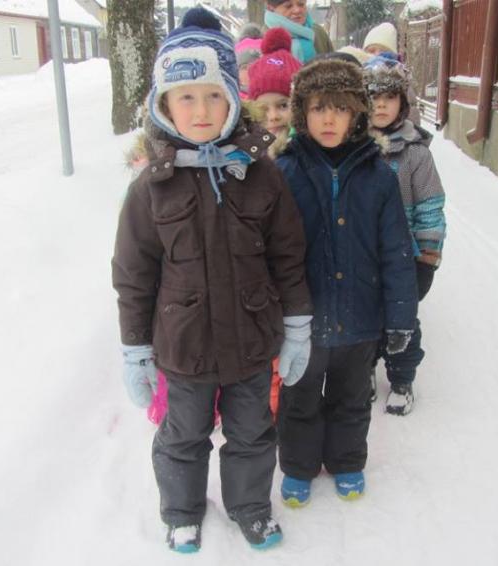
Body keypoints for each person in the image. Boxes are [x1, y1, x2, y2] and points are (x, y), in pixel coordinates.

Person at [112, 7, 313, 553]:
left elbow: (288, 256)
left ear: (232, 99)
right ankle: (181, 511)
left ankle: (250, 507)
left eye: (213, 96)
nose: (200, 111)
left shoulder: (261, 174)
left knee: (252, 434)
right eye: (185, 97)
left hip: (251, 340)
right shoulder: (151, 188)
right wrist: (136, 348)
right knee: (183, 436)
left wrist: (297, 325)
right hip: (184, 347)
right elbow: (133, 275)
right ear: (164, 104)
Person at [272, 57, 418, 507]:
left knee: (351, 400)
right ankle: (298, 467)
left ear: (358, 112)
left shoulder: (379, 176)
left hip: (360, 319)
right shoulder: (285, 172)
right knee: (298, 400)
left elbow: (397, 252)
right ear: (302, 112)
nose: (329, 119)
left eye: (340, 107)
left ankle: (347, 460)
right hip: (303, 321)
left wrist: (401, 319)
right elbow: (269, 252)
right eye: (318, 107)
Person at [363, 57, 446, 416]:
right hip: (362, 254)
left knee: (403, 320)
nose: (381, 105)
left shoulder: (415, 155)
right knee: (364, 319)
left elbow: (430, 207)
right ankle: (364, 368)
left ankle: (401, 378)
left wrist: (427, 257)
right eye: (373, 98)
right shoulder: (353, 149)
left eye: (389, 98)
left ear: (402, 103)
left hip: (405, 258)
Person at [248, 28, 301, 140]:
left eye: (283, 105)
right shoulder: (245, 148)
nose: (273, 116)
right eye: (263, 109)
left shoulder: (311, 147)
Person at [264, 0, 332, 63]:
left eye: (301, 4)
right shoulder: (263, 38)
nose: (297, 10)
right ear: (271, 8)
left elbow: (334, 66)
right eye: (288, 6)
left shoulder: (318, 32)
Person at [235, 24, 263, 99]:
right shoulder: (230, 99)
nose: (250, 71)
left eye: (256, 67)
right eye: (244, 67)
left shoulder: (272, 98)